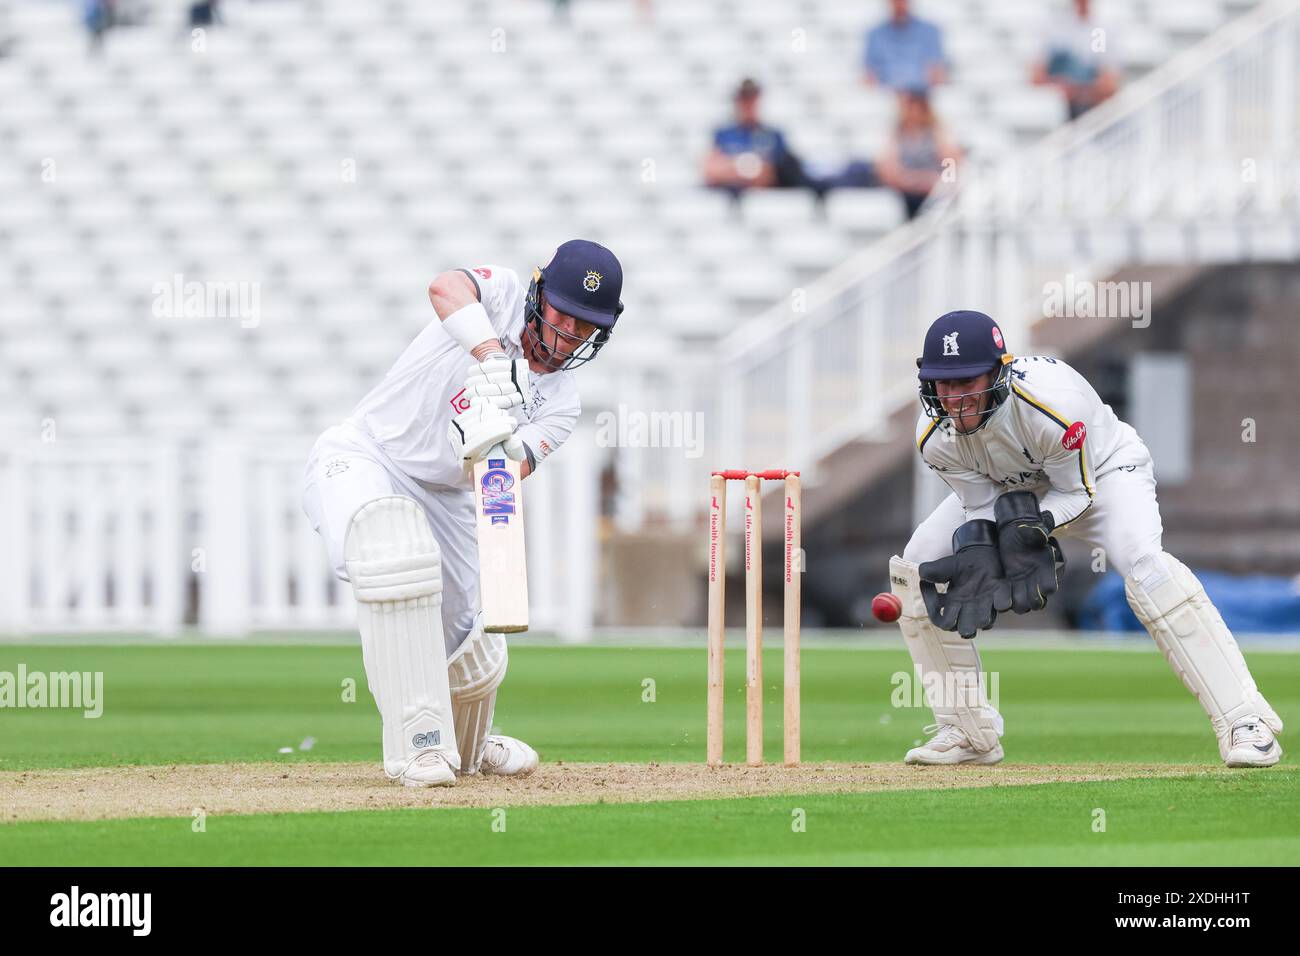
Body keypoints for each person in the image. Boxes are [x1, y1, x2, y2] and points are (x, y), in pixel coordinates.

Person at [888, 310, 1283, 769]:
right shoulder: (935, 437)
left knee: (1147, 569)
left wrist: (1030, 533)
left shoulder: (1052, 407)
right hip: (1010, 489)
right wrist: (984, 549)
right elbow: (980, 507)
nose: (955, 399)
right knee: (916, 568)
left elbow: (1077, 492)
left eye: (967, 383)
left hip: (1104, 474)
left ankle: (1245, 721)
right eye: (944, 384)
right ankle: (967, 731)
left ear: (999, 372)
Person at [302, 240, 624, 787]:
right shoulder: (497, 295)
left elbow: (501, 479)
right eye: (562, 317)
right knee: (392, 556)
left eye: (585, 327)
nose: (568, 336)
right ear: (538, 294)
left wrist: (488, 443)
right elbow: (443, 287)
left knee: (467, 634)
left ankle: (467, 750)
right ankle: (418, 747)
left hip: (448, 497)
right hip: (366, 454)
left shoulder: (562, 403)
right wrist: (489, 356)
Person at [703, 78, 813, 195]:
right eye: (744, 99)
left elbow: (774, 174)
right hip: (730, 198)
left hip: (765, 200)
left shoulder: (774, 135)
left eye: (752, 98)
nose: (748, 104)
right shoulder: (723, 134)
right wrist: (752, 171)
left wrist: (732, 168)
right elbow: (712, 172)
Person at [874, 88, 962, 218]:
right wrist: (917, 181)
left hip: (935, 193)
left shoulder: (937, 132)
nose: (912, 112)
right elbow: (888, 172)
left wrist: (940, 184)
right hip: (905, 195)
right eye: (908, 106)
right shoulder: (896, 134)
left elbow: (951, 163)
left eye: (916, 106)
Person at [1032, 0, 1120, 120]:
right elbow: (1036, 76)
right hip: (1061, 110)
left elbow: (1109, 84)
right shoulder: (1055, 27)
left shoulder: (1099, 31)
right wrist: (1059, 86)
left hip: (1090, 111)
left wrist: (1078, 91)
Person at [863, 0, 947, 92]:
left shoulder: (930, 31)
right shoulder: (875, 34)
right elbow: (869, 73)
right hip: (888, 96)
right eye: (895, 1)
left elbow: (937, 70)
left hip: (921, 97)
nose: (899, 4)